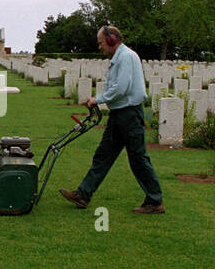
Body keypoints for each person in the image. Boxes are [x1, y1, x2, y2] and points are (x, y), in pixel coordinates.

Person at [59, 25, 165, 214]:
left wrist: (98, 99)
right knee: (103, 155)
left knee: (138, 159)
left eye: (101, 43)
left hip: (129, 114)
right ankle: (83, 194)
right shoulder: (119, 58)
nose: (100, 47)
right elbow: (115, 87)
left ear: (111, 40)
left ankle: (155, 201)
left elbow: (121, 87)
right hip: (119, 114)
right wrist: (97, 99)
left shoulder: (126, 57)